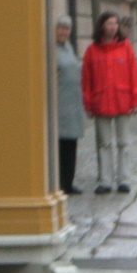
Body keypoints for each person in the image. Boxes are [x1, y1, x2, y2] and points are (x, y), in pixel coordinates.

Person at [82, 11, 137, 194]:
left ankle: (124, 179)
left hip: (123, 101)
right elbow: (86, 80)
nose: (113, 27)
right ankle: (105, 180)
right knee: (104, 144)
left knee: (124, 142)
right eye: (109, 23)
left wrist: (136, 100)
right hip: (101, 102)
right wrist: (88, 104)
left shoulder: (126, 48)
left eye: (115, 24)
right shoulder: (92, 51)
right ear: (102, 26)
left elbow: (135, 76)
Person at [55, 15, 85, 194]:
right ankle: (59, 183)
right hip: (59, 105)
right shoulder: (51, 50)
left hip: (72, 104)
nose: (63, 32)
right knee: (59, 146)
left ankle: (68, 182)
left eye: (66, 29)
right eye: (60, 28)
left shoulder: (69, 48)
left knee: (71, 146)